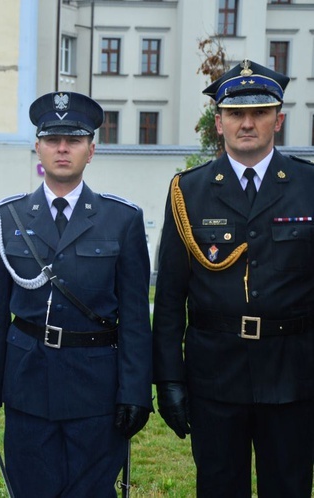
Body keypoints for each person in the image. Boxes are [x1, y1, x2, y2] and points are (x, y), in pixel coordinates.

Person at [0, 91, 153, 496]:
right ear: (38, 147)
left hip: (96, 389)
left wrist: (136, 392)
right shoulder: (6, 218)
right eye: (53, 140)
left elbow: (137, 318)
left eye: (74, 140)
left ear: (92, 150)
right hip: (27, 385)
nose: (62, 148)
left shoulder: (122, 220)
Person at [153, 59, 314, 497]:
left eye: (260, 113)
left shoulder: (308, 185)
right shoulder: (188, 191)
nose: (248, 123)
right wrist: (168, 380)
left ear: (278, 120)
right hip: (214, 377)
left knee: (290, 486)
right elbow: (169, 298)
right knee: (219, 487)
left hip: (294, 375)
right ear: (218, 122)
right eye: (236, 114)